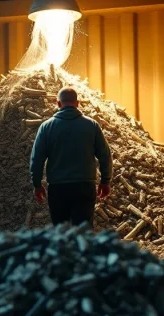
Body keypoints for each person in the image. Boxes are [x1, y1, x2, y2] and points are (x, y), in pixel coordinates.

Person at [29, 86, 113, 226]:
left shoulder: (46, 127)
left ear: (58, 104)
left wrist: (37, 184)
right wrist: (105, 181)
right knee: (83, 231)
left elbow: (37, 159)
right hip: (84, 186)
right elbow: (105, 155)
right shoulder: (92, 125)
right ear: (77, 103)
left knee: (61, 232)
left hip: (58, 188)